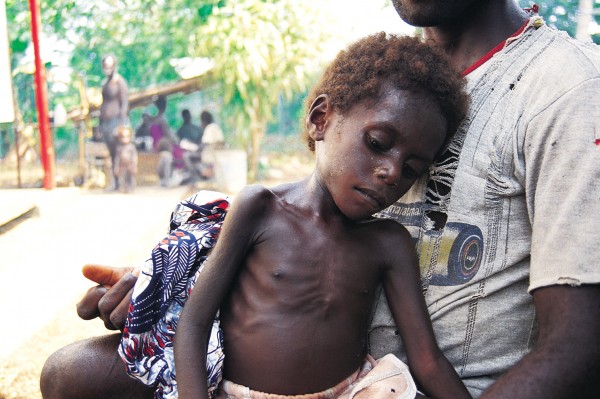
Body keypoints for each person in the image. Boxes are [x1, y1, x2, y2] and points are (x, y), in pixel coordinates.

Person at [41, 1, 600, 398]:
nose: (390, 175)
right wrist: (170, 279)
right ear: (321, 120)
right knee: (70, 374)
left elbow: (578, 347)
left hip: (381, 384)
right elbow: (274, 254)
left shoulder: (561, 88)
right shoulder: (400, 83)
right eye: (379, 146)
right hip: (257, 370)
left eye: (413, 168)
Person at [98, 54, 129, 191]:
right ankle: (115, 183)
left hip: (117, 122)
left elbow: (124, 103)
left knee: (120, 153)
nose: (107, 68)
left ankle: (123, 182)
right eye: (105, 66)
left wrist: (122, 124)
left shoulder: (119, 82)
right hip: (106, 123)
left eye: (110, 66)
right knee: (111, 153)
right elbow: (103, 103)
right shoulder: (104, 84)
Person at [113, 125, 138, 194]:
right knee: (122, 178)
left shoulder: (131, 147)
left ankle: (132, 188)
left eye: (127, 137)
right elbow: (117, 159)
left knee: (131, 178)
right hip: (122, 166)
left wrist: (134, 165)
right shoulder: (119, 148)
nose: (125, 139)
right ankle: (123, 188)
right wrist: (116, 167)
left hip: (130, 165)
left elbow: (134, 156)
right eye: (123, 137)